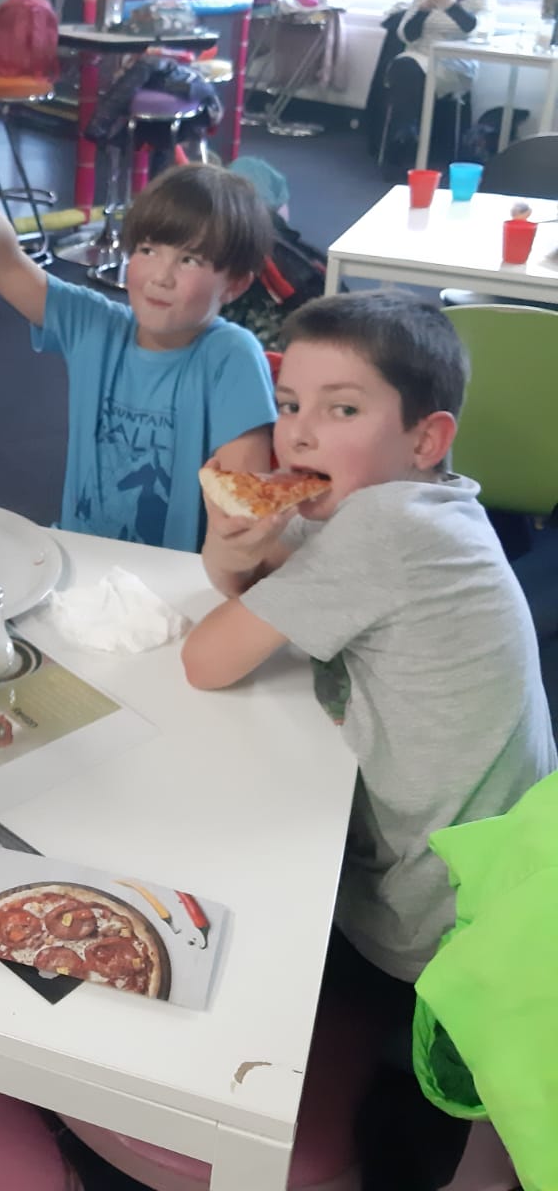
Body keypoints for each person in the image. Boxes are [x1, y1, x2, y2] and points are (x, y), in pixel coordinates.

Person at [183, 291, 556, 1191]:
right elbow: (257, 583)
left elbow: (207, 659)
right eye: (289, 404)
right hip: (514, 867)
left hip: (444, 911)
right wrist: (237, 541)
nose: (300, 434)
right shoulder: (429, 507)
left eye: (342, 409)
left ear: (426, 440)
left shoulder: (386, 531)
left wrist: (231, 542)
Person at [0, 135, 276, 551]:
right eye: (148, 250)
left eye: (189, 260)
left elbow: (243, 513)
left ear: (235, 284)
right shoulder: (95, 324)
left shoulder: (231, 357)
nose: (161, 277)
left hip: (175, 574)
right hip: (80, 555)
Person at [383, 0, 495, 166]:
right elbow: (406, 33)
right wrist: (424, 10)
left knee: (409, 75)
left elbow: (480, 30)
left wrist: (452, 7)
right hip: (421, 54)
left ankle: (406, 142)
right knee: (404, 66)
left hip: (455, 61)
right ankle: (408, 133)